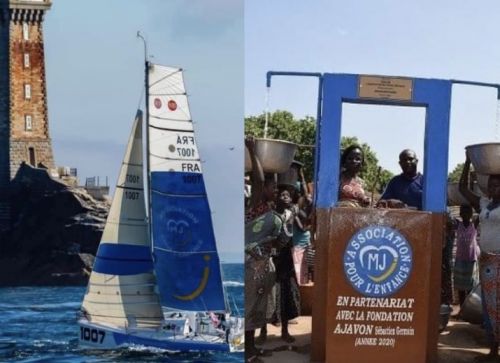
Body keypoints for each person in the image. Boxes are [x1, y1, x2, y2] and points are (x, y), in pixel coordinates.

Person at [459, 154, 500, 363]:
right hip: (486, 262)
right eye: (491, 186)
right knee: (489, 307)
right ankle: (493, 350)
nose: (494, 189)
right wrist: (467, 162)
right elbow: (463, 189)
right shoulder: (484, 204)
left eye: (498, 186)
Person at [244, 136, 278, 362]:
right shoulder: (255, 205)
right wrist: (252, 149)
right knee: (248, 308)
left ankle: (251, 347)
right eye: (272, 185)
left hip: (262, 266)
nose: (275, 189)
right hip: (250, 265)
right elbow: (258, 179)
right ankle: (246, 351)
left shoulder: (267, 208)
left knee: (256, 309)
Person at [453, 204, 480, 309]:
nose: (465, 215)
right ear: (460, 214)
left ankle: (468, 309)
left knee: (470, 287)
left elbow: (481, 213)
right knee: (460, 287)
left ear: (471, 214)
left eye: (468, 213)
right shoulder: (457, 224)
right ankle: (461, 309)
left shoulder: (474, 225)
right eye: (463, 213)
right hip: (460, 259)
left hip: (471, 260)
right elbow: (447, 217)